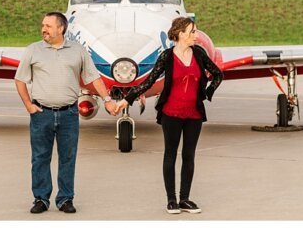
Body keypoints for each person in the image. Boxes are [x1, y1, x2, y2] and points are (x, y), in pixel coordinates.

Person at [115, 16, 223, 214]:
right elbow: (148, 81)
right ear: (180, 34)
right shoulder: (167, 56)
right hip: (171, 113)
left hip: (194, 114)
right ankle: (171, 200)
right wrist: (127, 99)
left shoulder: (198, 53)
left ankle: (185, 199)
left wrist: (208, 92)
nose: (196, 35)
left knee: (189, 156)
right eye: (192, 32)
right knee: (170, 155)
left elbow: (218, 74)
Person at [15, 11, 119, 214]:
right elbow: (20, 80)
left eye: (48, 26)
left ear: (61, 28)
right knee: (40, 157)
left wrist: (107, 100)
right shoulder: (33, 50)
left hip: (69, 114)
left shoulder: (78, 50)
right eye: (43, 25)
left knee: (68, 158)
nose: (43, 29)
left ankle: (65, 199)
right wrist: (28, 105)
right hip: (41, 114)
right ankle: (41, 199)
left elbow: (94, 78)